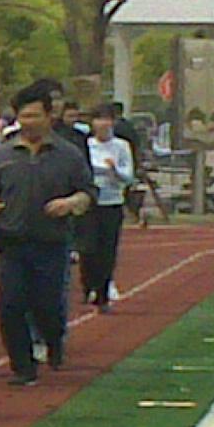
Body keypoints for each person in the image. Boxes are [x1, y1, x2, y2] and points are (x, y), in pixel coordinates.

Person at [0, 80, 95, 387]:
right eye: (24, 116)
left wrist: (70, 203)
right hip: (12, 242)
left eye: (35, 115)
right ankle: (22, 366)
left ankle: (53, 340)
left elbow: (87, 192)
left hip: (50, 243)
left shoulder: (68, 155)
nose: (29, 122)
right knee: (10, 305)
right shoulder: (3, 155)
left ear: (49, 116)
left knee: (47, 305)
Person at [79, 104, 136, 310]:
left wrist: (115, 170)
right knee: (88, 249)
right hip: (89, 203)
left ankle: (103, 293)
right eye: (98, 119)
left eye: (107, 119)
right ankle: (89, 286)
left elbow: (128, 176)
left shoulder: (121, 146)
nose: (103, 124)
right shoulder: (86, 145)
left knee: (107, 250)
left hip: (112, 203)